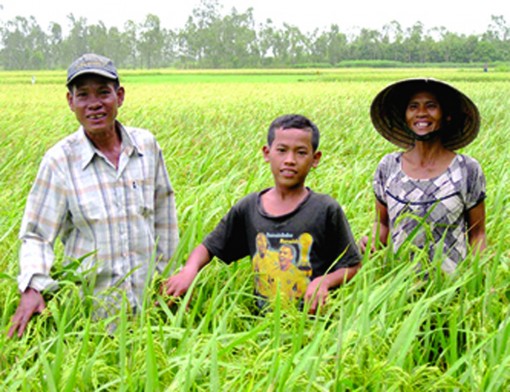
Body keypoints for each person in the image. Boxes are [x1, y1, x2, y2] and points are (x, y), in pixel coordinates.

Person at [8, 53, 179, 338]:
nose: (94, 104)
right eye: (83, 95)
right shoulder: (59, 161)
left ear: (120, 96)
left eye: (103, 92)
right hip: (91, 320)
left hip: (151, 313)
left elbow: (165, 216)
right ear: (70, 102)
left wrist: (169, 278)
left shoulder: (146, 147)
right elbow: (37, 235)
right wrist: (33, 286)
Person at [162, 114, 361, 313]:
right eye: (282, 151)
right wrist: (189, 270)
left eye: (301, 152)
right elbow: (209, 247)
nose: (290, 160)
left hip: (313, 326)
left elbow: (352, 264)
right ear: (267, 153)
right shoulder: (248, 208)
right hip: (263, 325)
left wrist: (324, 282)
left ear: (315, 159)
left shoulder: (325, 209)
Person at [360, 78, 486, 272]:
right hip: (397, 287)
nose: (421, 113)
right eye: (413, 107)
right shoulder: (388, 167)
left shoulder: (467, 170)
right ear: (405, 116)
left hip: (452, 289)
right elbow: (382, 223)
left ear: (447, 116)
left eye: (431, 106)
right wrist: (372, 241)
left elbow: (477, 234)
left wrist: (482, 278)